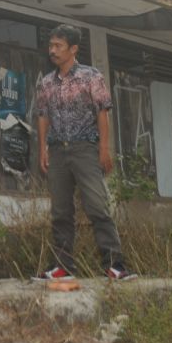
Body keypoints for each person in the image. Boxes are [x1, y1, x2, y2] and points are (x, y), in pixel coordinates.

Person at [33, 24, 135, 281]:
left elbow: (103, 112)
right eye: (51, 46)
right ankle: (62, 267)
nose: (53, 51)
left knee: (97, 206)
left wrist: (104, 149)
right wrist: (43, 148)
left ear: (73, 49)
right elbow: (43, 116)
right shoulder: (46, 82)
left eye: (59, 46)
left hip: (86, 149)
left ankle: (115, 266)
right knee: (60, 211)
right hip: (57, 151)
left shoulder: (91, 77)